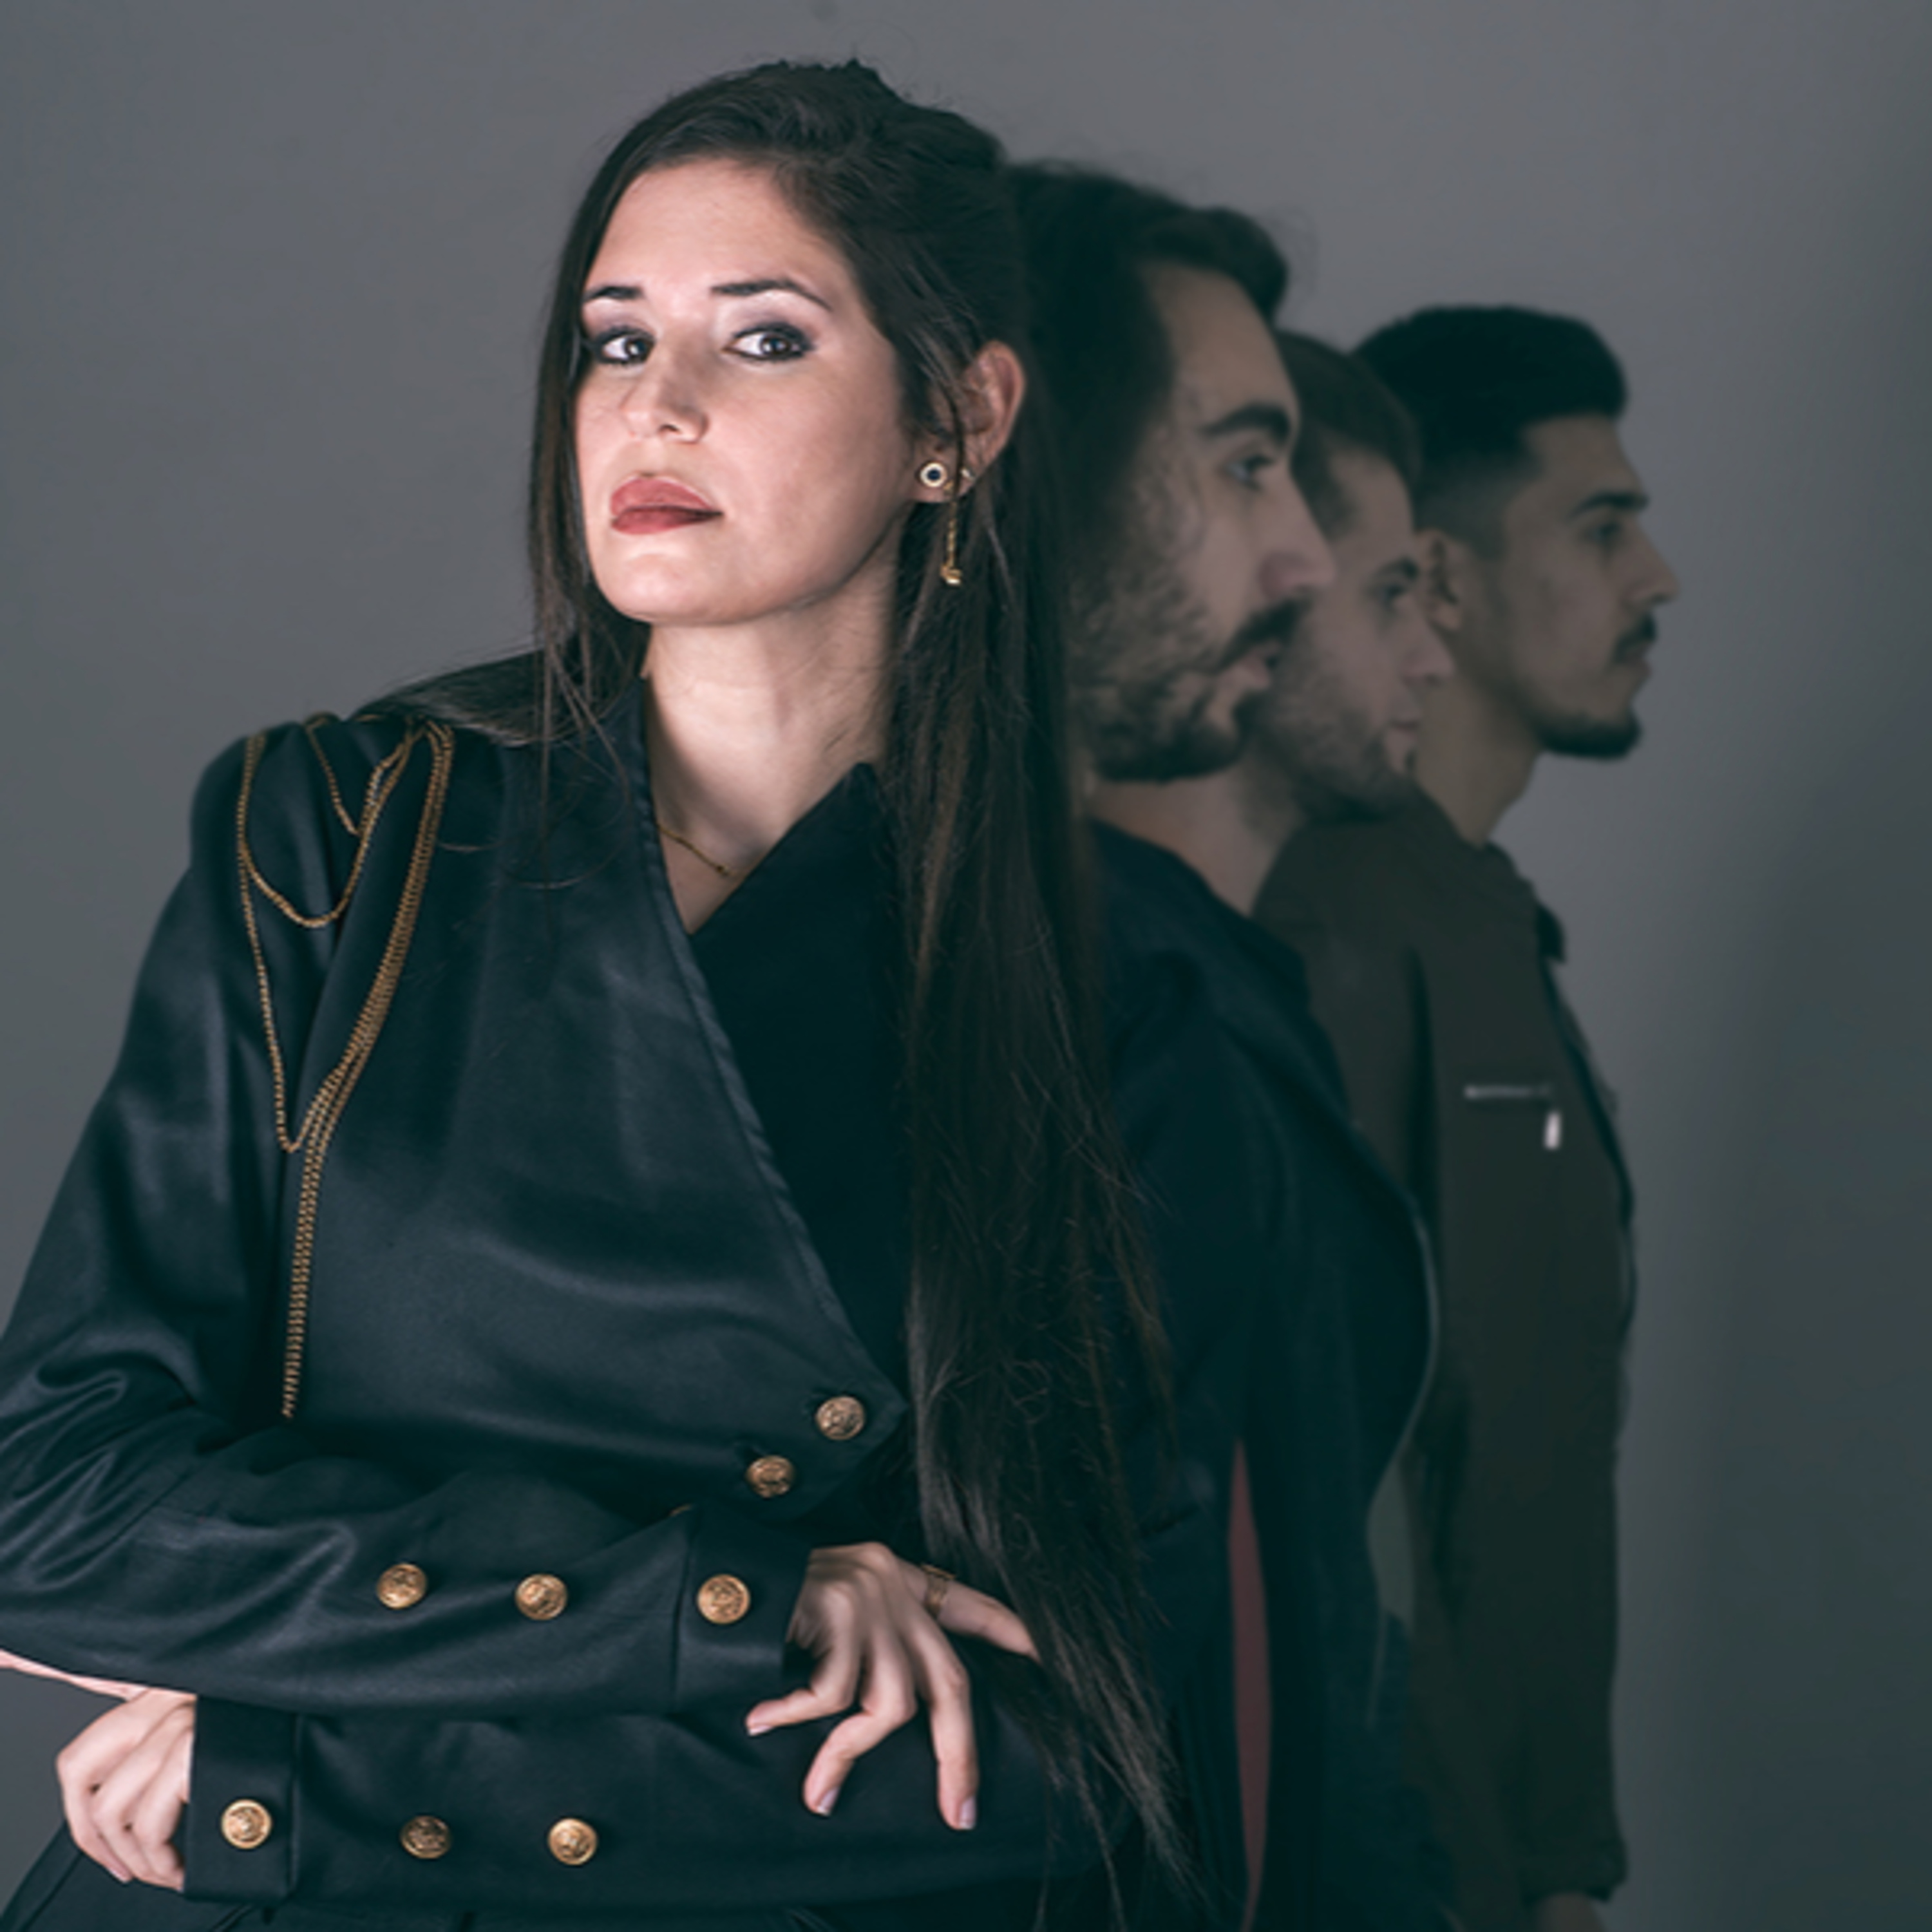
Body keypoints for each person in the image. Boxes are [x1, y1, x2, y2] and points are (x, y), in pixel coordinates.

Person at [0, 63, 1271, 1931]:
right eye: (615, 341)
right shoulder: (339, 835)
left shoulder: (1117, 1000)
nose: (653, 406)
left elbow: (1070, 1742)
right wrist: (734, 1602)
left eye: (763, 339)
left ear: (960, 416)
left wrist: (299, 1775)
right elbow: (53, 1503)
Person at [1013, 171, 1446, 1931]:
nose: (1305, 566)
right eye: (1245, 462)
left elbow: (1286, 1622)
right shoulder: (1052, 1001)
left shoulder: (1178, 996)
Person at [1257, 305, 1682, 1932]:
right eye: (1603, 526)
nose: (1658, 578)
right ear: (1437, 574)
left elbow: (1526, 1443)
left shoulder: (1478, 918)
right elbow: (1344, 1472)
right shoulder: (1338, 926)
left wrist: (1560, 1862)